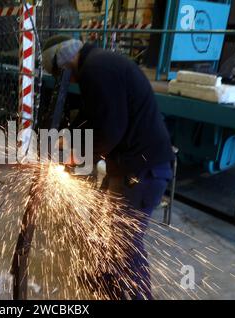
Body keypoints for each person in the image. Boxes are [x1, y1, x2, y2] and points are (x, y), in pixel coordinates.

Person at [42, 35, 175, 300]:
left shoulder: (95, 70)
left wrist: (77, 157)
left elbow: (109, 130)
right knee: (106, 226)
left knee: (125, 243)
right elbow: (95, 116)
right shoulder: (99, 64)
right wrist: (68, 136)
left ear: (64, 62)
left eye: (60, 73)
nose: (66, 80)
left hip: (142, 170)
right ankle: (105, 282)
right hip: (131, 163)